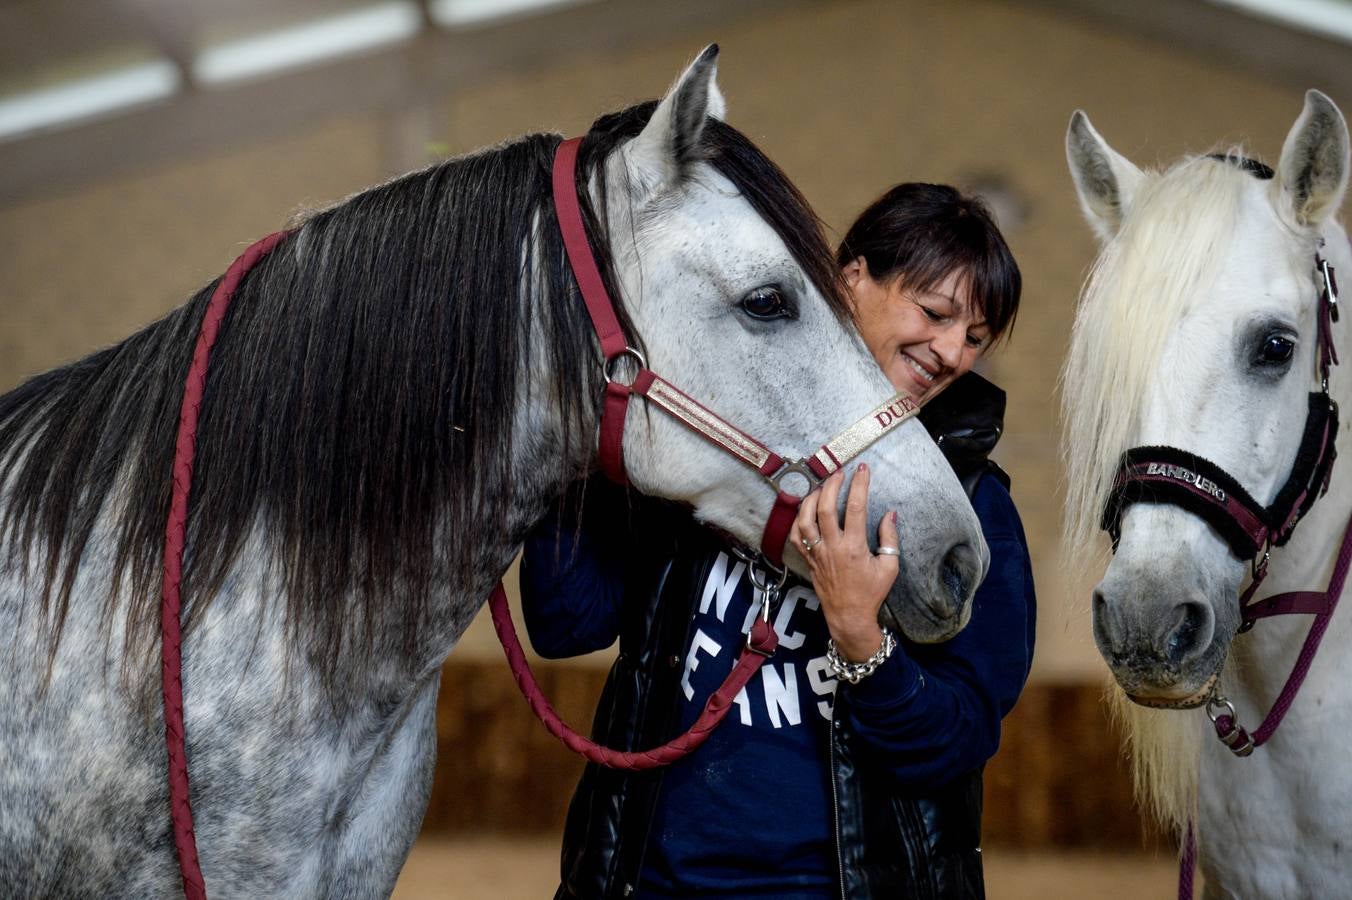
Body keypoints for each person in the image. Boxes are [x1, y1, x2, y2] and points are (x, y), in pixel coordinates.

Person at [520, 183, 1034, 900]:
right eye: (936, 313)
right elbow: (565, 622)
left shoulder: (973, 510)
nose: (952, 351)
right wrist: (583, 430)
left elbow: (953, 745)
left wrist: (860, 639)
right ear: (852, 279)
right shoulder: (718, 439)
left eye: (975, 338)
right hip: (650, 884)